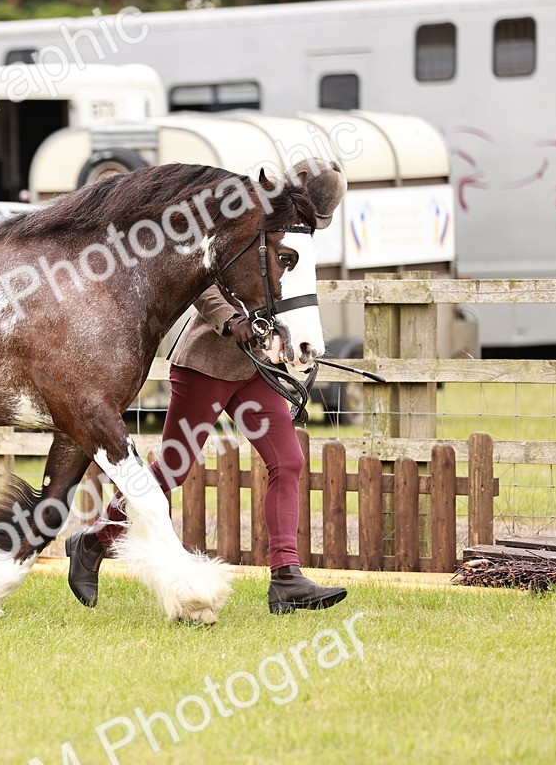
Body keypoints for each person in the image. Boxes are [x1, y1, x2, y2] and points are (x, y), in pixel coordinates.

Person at [66, 157, 349, 615]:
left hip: (255, 371)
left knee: (288, 461)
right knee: (173, 469)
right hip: (207, 364)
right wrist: (231, 320)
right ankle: (93, 543)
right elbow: (199, 277)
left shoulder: (289, 238)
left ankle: (286, 579)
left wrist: (288, 339)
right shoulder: (238, 218)